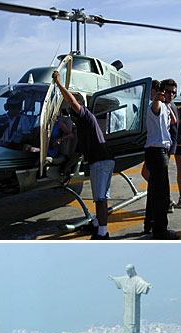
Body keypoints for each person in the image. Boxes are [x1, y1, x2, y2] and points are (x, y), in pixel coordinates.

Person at [52, 70, 114, 239]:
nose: (69, 115)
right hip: (101, 161)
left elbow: (72, 103)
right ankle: (96, 224)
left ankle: (103, 232)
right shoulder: (82, 128)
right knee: (99, 197)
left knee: (101, 198)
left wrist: (58, 84)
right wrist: (67, 167)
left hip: (101, 162)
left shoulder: (86, 116)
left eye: (70, 112)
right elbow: (78, 152)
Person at [144, 78, 178, 239]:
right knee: (162, 194)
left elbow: (173, 121)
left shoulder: (166, 107)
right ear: (162, 92)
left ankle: (149, 223)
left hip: (156, 152)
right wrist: (158, 98)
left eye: (174, 92)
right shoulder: (156, 106)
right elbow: (155, 107)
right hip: (158, 153)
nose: (172, 94)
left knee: (154, 191)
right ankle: (160, 231)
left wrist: (167, 103)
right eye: (169, 91)